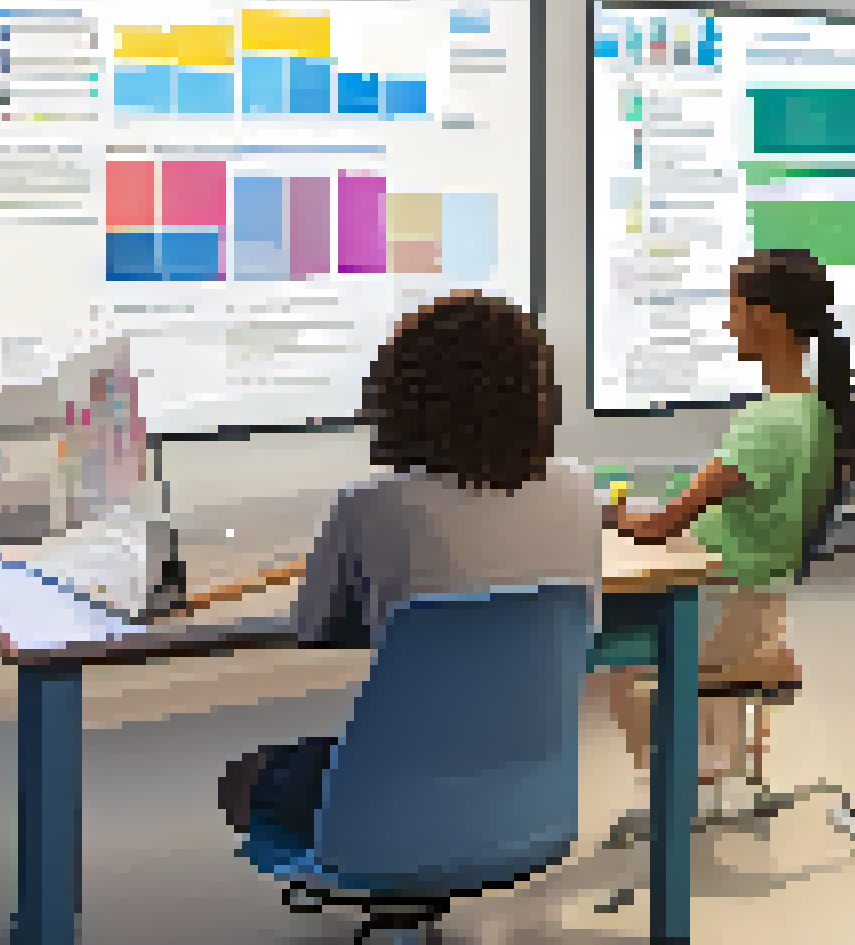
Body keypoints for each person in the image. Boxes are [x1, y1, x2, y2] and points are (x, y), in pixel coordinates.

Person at [218, 293, 605, 843]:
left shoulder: (375, 502)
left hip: (395, 785)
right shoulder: (578, 488)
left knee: (245, 778)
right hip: (530, 785)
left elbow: (313, 630)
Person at [596, 249, 855, 785]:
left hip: (722, 604)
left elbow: (666, 524)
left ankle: (690, 776)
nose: (727, 322)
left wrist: (602, 513)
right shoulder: (812, 409)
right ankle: (719, 760)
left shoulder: (770, 422)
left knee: (617, 655)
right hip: (751, 599)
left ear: (763, 318)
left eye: (733, 309)